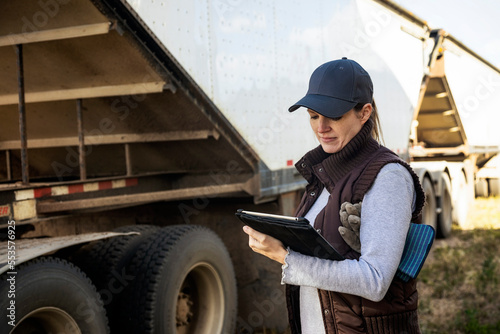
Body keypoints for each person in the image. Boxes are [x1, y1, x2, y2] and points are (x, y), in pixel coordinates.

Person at [243, 57, 425, 333]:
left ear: (364, 113)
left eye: (334, 116)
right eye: (313, 116)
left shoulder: (388, 177)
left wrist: (286, 257)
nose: (321, 127)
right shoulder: (323, 173)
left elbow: (375, 281)